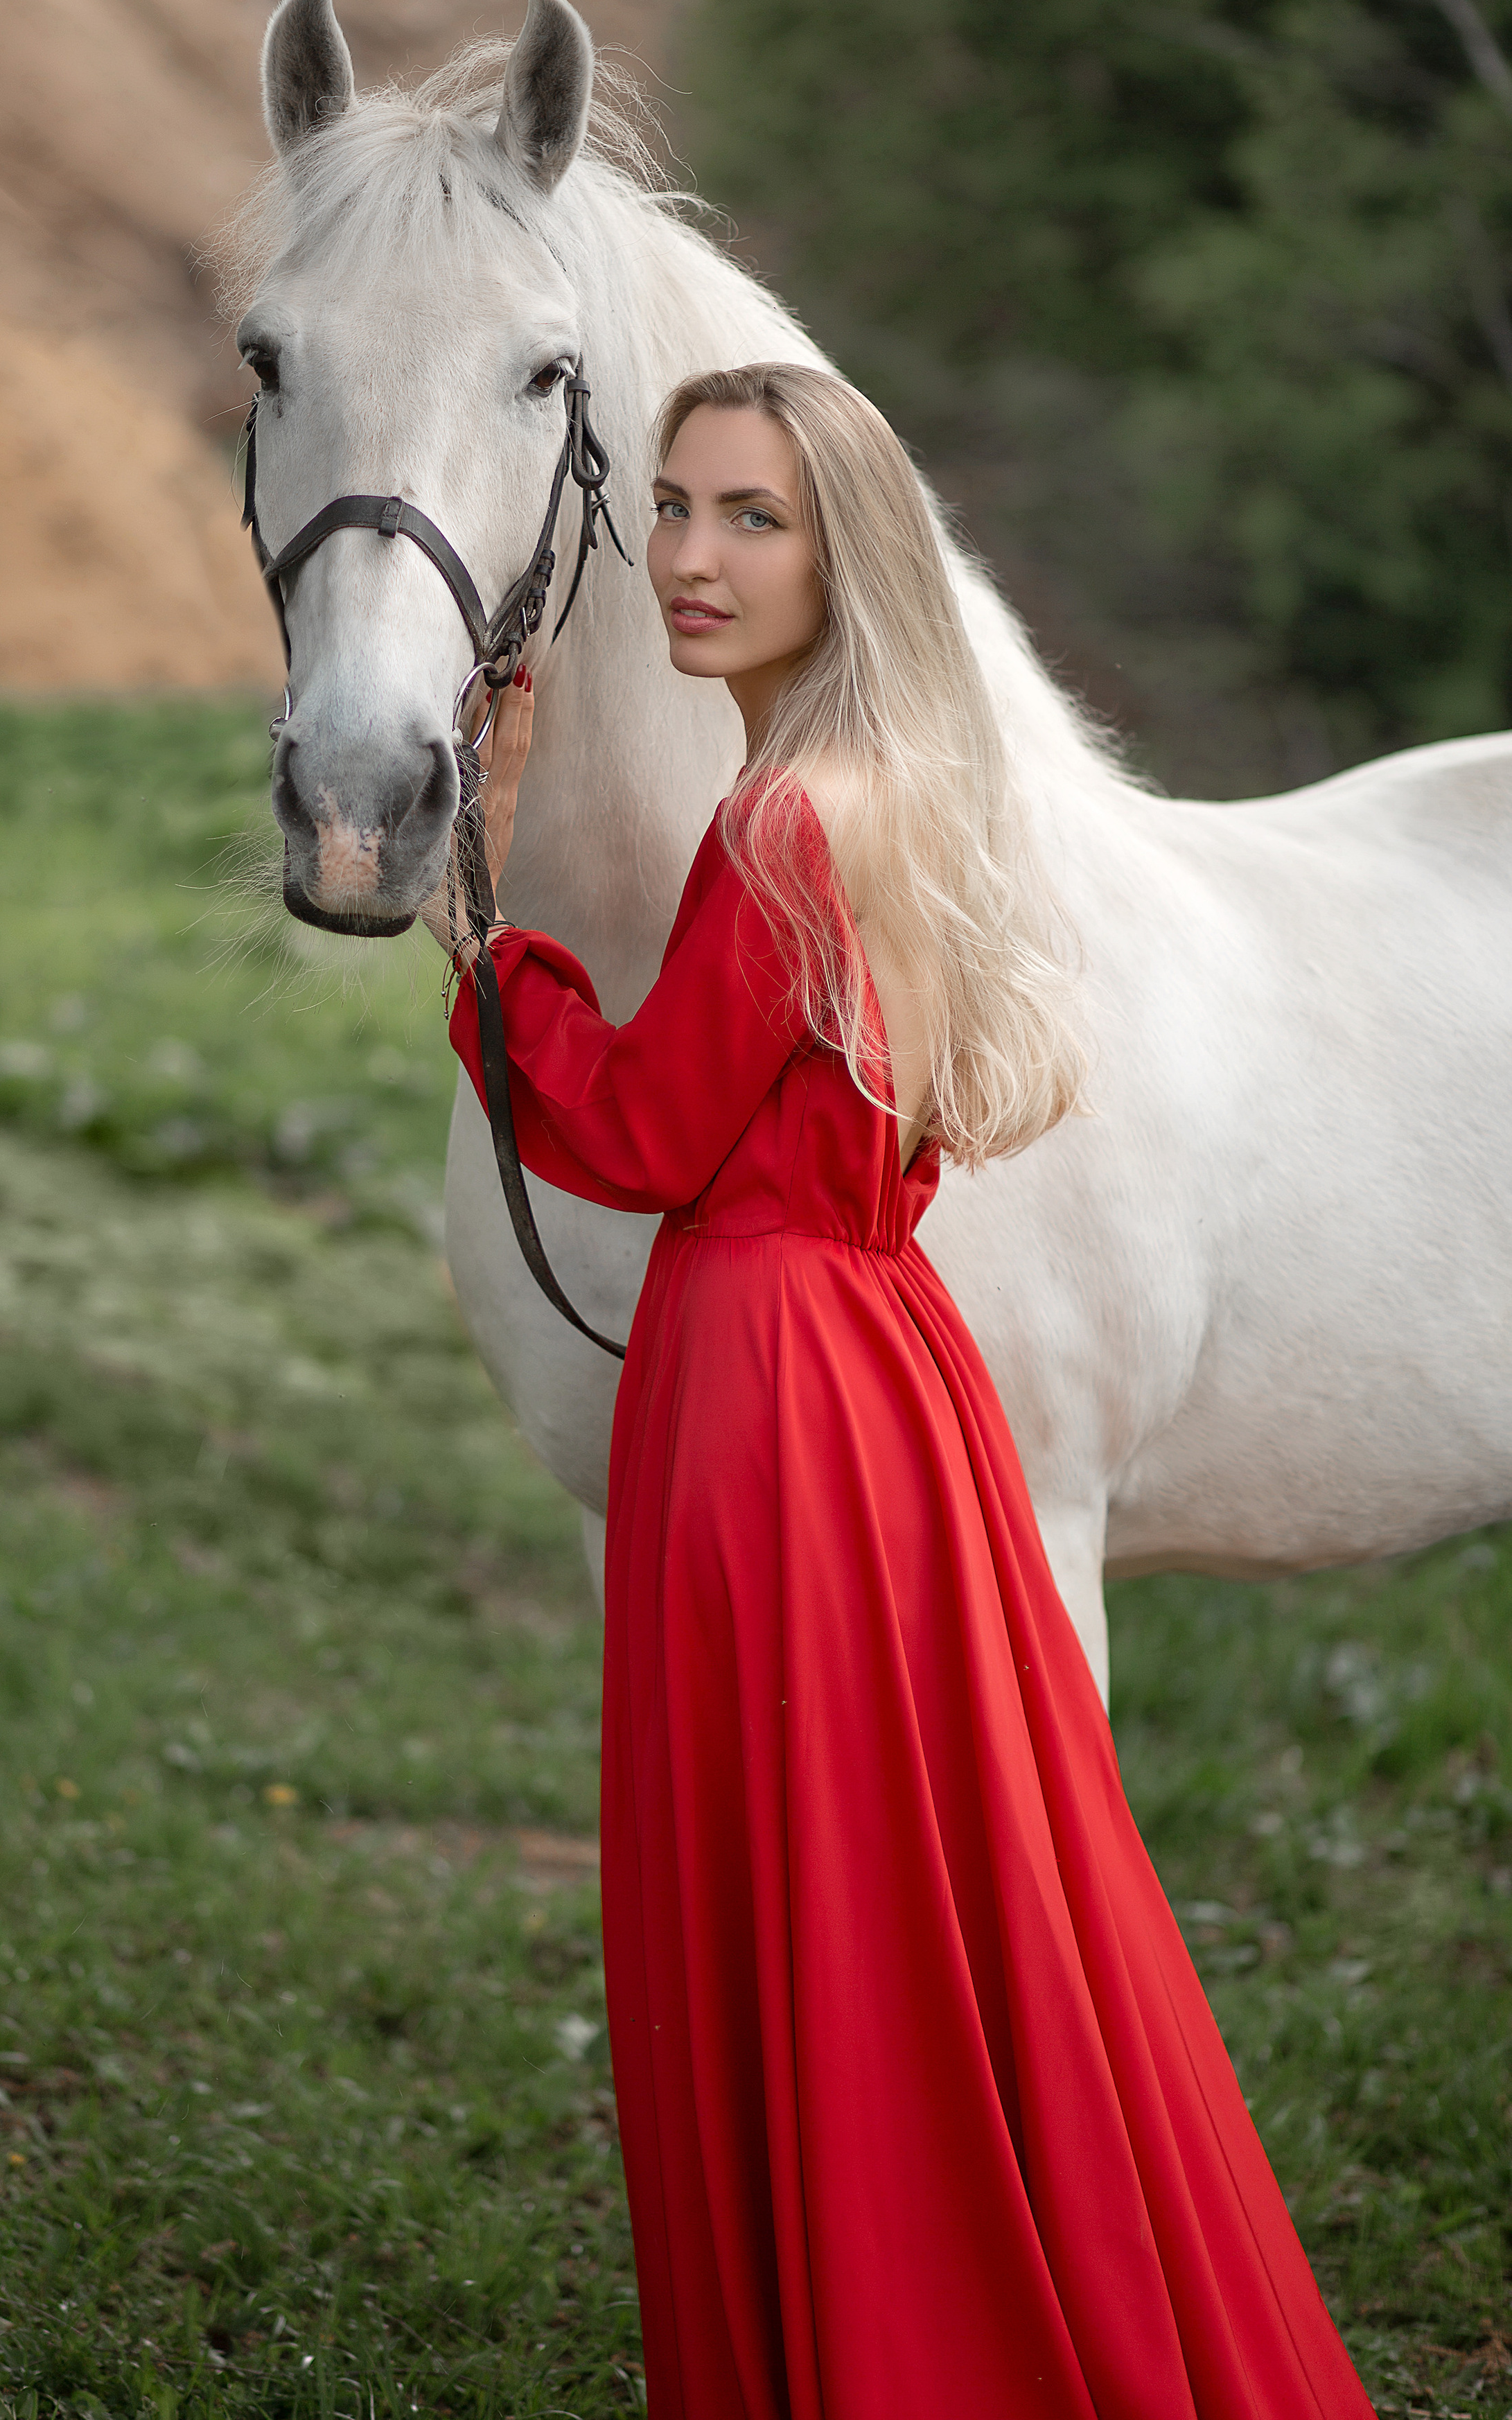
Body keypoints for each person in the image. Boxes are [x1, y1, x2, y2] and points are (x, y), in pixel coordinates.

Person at [428, 364, 1372, 2417]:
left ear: (847, 548)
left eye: (750, 518)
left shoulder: (781, 822)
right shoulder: (896, 790)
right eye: (672, 507)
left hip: (775, 1385)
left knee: (818, 1899)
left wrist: (487, 918)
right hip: (877, 1362)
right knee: (929, 1890)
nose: (688, 556)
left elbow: (648, 1134)